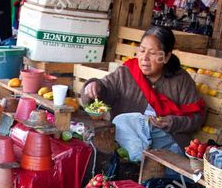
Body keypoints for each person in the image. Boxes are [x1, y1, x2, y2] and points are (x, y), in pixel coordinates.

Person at [81, 27, 206, 161]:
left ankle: (143, 161)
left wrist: (172, 122)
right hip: (131, 141)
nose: (144, 58)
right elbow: (105, 87)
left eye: (152, 53)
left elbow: (197, 116)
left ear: (166, 57)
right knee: (121, 123)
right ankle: (143, 160)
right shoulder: (126, 73)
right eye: (142, 50)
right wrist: (94, 86)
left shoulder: (181, 80)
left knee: (121, 122)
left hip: (166, 141)